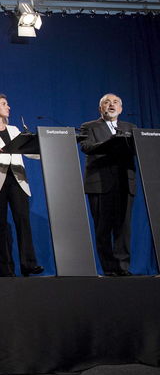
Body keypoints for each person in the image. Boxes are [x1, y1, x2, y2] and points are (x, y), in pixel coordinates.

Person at [0, 94, 43, 277]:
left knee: (23, 221)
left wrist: (44, 148)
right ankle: (5, 268)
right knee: (0, 226)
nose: (9, 107)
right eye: (4, 104)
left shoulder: (14, 129)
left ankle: (28, 264)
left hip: (17, 180)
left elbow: (28, 151)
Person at [79, 93, 136, 276]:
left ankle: (123, 267)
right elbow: (86, 147)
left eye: (115, 102)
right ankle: (109, 268)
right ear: (100, 109)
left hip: (125, 182)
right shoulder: (89, 126)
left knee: (123, 227)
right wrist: (111, 142)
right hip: (99, 184)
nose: (111, 105)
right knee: (103, 228)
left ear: (121, 109)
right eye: (106, 102)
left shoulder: (131, 127)